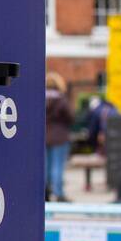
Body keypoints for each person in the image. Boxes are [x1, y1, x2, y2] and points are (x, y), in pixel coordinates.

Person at [44, 72, 73, 201]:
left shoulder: (40, 99)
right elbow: (71, 117)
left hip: (44, 136)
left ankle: (45, 191)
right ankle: (59, 192)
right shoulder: (62, 100)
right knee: (58, 166)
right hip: (60, 137)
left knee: (45, 166)